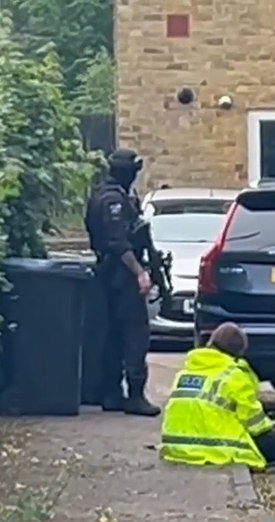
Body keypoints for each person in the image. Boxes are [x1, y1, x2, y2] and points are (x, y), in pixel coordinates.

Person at [159, 322, 275, 469]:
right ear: (238, 352)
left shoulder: (185, 373)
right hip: (217, 448)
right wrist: (272, 423)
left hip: (175, 447)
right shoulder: (234, 375)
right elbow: (256, 426)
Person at [84, 148, 161, 416]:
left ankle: (112, 393)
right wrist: (139, 272)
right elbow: (118, 242)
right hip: (120, 274)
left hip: (109, 272)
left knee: (114, 334)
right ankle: (135, 395)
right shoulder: (112, 200)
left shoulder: (108, 195)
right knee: (135, 333)